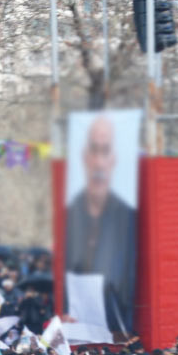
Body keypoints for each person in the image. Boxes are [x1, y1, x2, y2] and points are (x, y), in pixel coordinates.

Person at [65, 114, 138, 334]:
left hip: (117, 328)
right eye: (93, 150)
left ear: (114, 159)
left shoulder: (128, 218)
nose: (98, 162)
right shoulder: (69, 215)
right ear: (84, 157)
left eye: (104, 151)